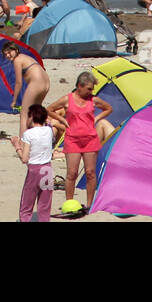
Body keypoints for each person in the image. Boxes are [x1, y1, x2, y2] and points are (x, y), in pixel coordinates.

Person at [46, 72, 111, 215]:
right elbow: (49, 109)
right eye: (88, 89)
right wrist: (62, 120)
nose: (91, 92)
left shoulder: (93, 100)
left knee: (90, 173)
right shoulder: (67, 99)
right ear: (79, 86)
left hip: (90, 140)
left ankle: (89, 205)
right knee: (71, 174)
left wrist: (97, 118)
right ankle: (69, 203)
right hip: (73, 140)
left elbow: (108, 108)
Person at [11, 105, 55, 223]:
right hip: (47, 169)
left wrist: (16, 146)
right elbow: (49, 124)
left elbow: (24, 159)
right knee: (45, 204)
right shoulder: (48, 130)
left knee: (27, 204)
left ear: (31, 117)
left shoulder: (29, 134)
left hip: (35, 170)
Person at [2, 41, 50, 136]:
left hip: (37, 82)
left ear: (15, 50)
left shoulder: (17, 60)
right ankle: (40, 137)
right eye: (5, 54)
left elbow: (18, 82)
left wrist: (14, 100)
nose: (8, 55)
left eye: (9, 52)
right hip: (46, 83)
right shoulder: (25, 57)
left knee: (24, 114)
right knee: (36, 113)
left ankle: (23, 142)